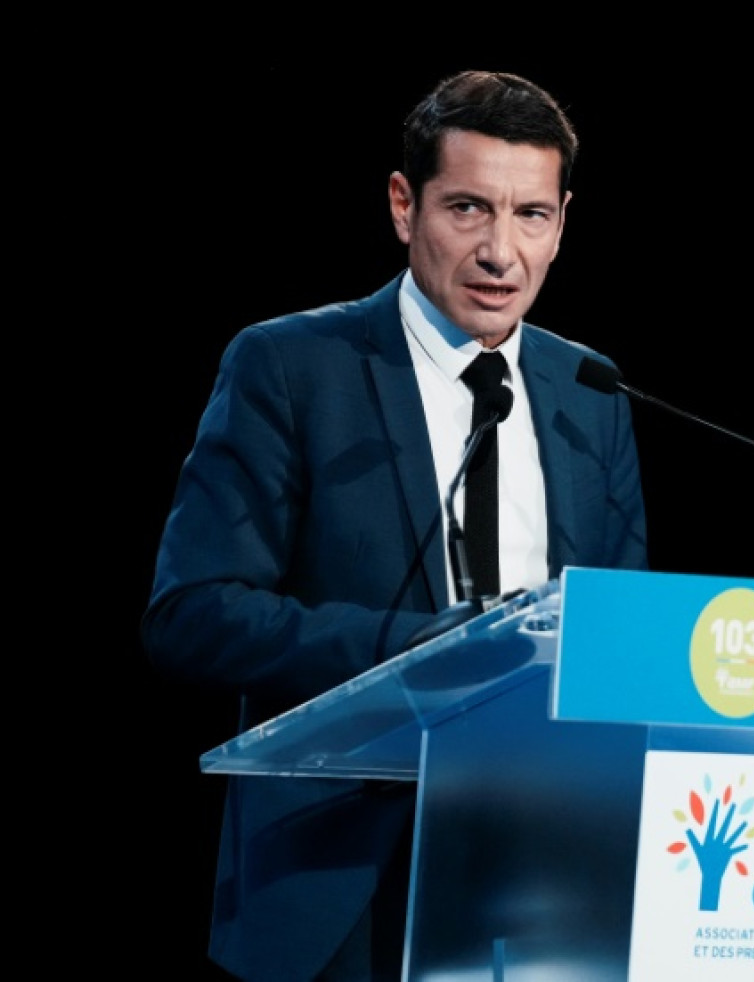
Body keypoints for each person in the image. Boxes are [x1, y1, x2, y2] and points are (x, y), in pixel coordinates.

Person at [142, 69, 649, 982]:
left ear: (563, 223)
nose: (502, 252)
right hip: (340, 885)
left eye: (531, 216)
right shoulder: (292, 367)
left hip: (543, 891)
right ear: (402, 205)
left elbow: (623, 633)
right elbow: (192, 613)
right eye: (468, 209)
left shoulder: (591, 392)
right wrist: (419, 651)